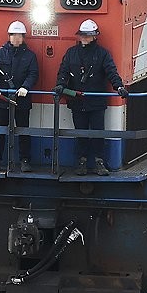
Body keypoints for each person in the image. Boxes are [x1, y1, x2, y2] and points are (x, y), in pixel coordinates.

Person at [55, 19, 127, 176]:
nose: (84, 38)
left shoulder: (102, 54)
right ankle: (81, 162)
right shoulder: (71, 53)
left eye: (87, 35)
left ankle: (99, 162)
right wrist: (60, 85)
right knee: (80, 133)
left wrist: (119, 87)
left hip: (96, 103)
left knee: (97, 133)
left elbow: (111, 72)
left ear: (94, 36)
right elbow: (63, 72)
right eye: (82, 35)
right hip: (77, 102)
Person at [0, 21, 39, 173]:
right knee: (0, 130)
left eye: (19, 35)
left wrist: (26, 87)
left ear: (23, 37)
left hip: (22, 100)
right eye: (14, 35)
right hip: (2, 100)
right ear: (9, 36)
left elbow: (33, 74)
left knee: (23, 131)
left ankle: (25, 160)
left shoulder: (30, 56)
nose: (16, 38)